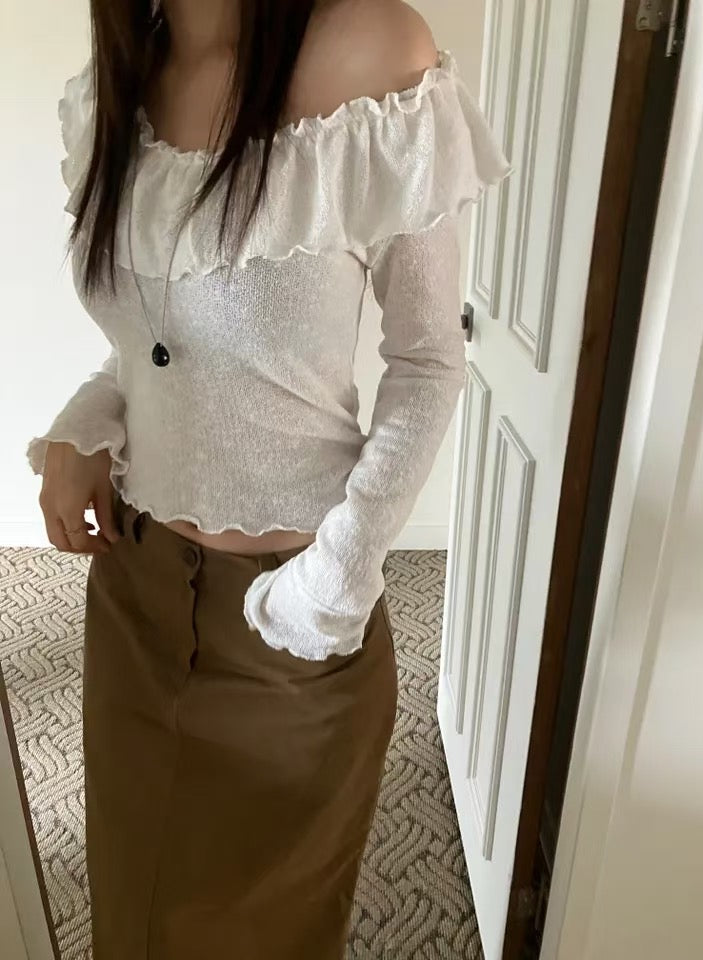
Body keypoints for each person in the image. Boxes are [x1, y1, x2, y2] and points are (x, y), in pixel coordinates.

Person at [25, 0, 510, 957]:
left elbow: (427, 363)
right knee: (134, 909)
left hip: (292, 614)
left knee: (266, 932)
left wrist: (340, 569)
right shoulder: (121, 77)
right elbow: (160, 341)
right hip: (135, 589)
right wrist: (87, 426)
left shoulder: (375, 58)